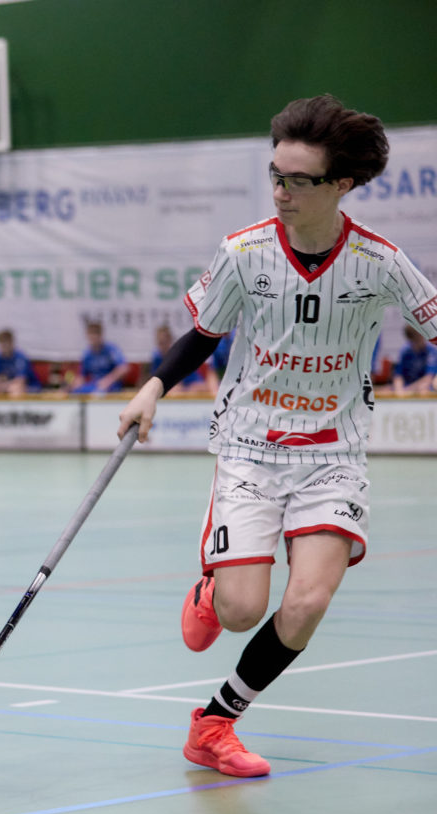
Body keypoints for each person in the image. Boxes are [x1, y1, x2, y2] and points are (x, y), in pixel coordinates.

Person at [118, 95, 437, 778]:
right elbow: (203, 334)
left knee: (308, 600)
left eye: (300, 180)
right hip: (249, 449)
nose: (283, 192)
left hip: (333, 454)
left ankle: (214, 723)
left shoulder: (381, 261)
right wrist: (153, 387)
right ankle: (213, 590)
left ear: (341, 185)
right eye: (276, 176)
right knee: (240, 611)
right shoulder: (244, 252)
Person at [149, 324, 215, 396]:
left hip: (192, 390)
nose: (162, 346)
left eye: (164, 342)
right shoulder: (156, 357)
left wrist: (187, 389)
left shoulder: (178, 355)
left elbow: (202, 386)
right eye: (160, 343)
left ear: (169, 340)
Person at [68, 320, 127, 394]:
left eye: (95, 337)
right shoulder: (87, 354)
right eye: (90, 337)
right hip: (95, 385)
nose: (92, 340)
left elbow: (123, 368)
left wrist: (108, 381)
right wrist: (75, 384)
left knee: (99, 392)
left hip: (112, 386)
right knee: (76, 392)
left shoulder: (111, 350)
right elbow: (82, 376)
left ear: (100, 336)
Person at [0, 328, 41, 396]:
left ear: (11, 342)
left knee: (15, 390)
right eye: (2, 344)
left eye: (6, 343)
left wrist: (3, 386)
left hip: (30, 386)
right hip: (7, 385)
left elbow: (20, 381)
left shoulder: (20, 357)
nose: (3, 347)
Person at [391, 325, 437, 395]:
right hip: (407, 387)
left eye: (420, 336)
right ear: (410, 339)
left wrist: (408, 390)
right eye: (415, 339)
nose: (419, 340)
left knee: (424, 390)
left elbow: (428, 378)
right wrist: (399, 390)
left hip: (424, 388)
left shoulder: (431, 351)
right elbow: (398, 376)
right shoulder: (405, 351)